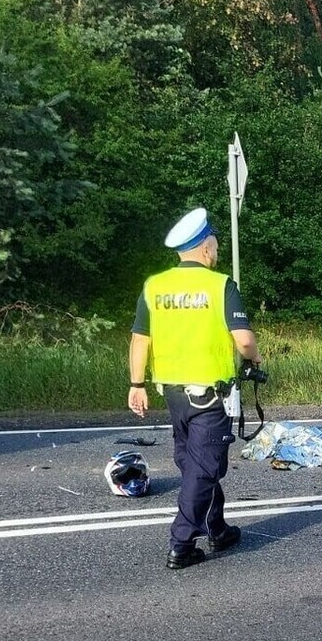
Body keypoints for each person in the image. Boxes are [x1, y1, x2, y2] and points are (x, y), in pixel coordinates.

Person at [127, 207, 263, 571]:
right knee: (203, 470)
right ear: (206, 247)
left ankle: (217, 529)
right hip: (209, 397)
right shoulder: (220, 285)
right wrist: (254, 357)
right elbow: (244, 340)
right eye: (215, 245)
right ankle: (181, 543)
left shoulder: (155, 286)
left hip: (172, 395)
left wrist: (136, 384)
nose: (216, 251)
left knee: (194, 464)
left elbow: (140, 339)